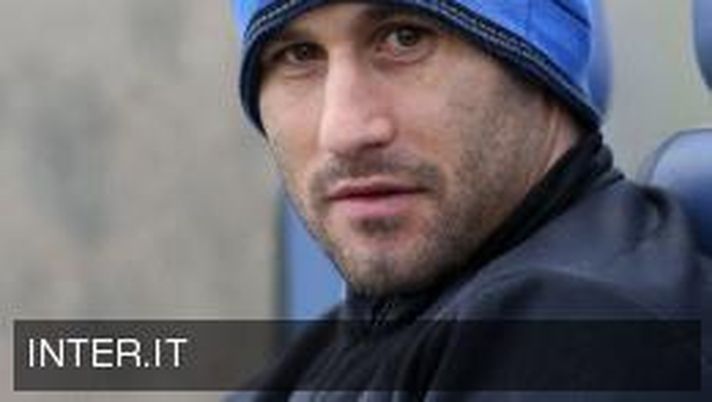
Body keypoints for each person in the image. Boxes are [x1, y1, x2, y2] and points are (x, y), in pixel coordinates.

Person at [231, 0, 710, 400]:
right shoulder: (348, 337)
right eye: (298, 55)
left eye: (405, 38)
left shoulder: (582, 329)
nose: (343, 131)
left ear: (537, 59)